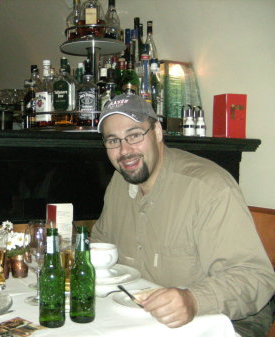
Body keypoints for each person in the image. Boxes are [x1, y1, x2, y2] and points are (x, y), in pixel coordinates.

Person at [91, 94, 275, 336]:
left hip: (224, 319)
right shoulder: (119, 182)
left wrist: (193, 300)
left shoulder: (207, 187)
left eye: (134, 135)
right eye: (113, 141)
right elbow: (99, 245)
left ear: (157, 131)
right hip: (144, 319)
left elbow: (256, 278)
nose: (125, 151)